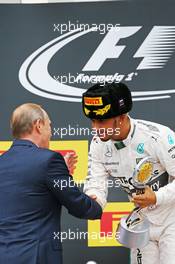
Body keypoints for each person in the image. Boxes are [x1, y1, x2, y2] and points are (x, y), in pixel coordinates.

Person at [82, 82, 175, 264]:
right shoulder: (98, 144)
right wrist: (94, 199)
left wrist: (156, 197)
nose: (95, 128)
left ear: (122, 117)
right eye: (92, 121)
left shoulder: (158, 136)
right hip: (141, 222)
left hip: (172, 221)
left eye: (101, 121)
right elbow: (96, 182)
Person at [0, 103, 102, 264]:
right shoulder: (49, 160)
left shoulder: (2, 162)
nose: (51, 132)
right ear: (39, 125)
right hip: (36, 257)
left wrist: (61, 175)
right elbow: (77, 204)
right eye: (49, 125)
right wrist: (97, 207)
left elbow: (31, 191)